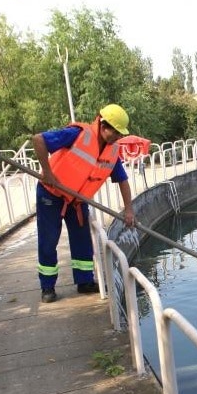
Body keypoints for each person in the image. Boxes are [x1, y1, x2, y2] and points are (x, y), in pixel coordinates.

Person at [31, 104, 136, 303]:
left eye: (120, 134)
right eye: (115, 132)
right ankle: (47, 286)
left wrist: (129, 210)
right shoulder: (76, 134)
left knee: (83, 241)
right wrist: (48, 172)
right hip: (51, 194)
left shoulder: (112, 152)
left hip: (77, 201)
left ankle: (84, 281)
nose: (117, 137)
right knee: (49, 240)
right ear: (103, 125)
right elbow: (38, 140)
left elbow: (122, 180)